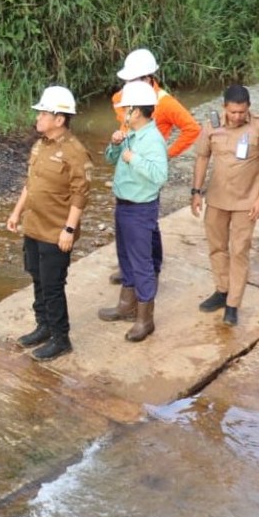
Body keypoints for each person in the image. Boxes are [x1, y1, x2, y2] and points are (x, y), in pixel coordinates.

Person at [6, 85, 92, 361]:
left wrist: (69, 229)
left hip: (56, 232)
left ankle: (60, 337)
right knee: (37, 277)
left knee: (53, 285)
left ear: (59, 119)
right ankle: (43, 326)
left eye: (43, 113)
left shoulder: (75, 152)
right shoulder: (39, 146)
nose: (38, 118)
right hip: (34, 226)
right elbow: (30, 185)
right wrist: (16, 213)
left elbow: (81, 193)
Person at [108, 48, 202, 285]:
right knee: (129, 221)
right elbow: (122, 119)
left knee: (146, 219)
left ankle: (152, 265)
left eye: (132, 80)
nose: (126, 86)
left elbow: (192, 129)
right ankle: (129, 266)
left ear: (148, 78)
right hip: (130, 164)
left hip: (149, 168)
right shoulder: (122, 98)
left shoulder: (165, 104)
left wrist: (166, 154)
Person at [190, 84, 259, 327]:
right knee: (217, 247)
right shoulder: (212, 125)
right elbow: (202, 157)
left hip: (246, 202)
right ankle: (222, 290)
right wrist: (196, 191)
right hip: (217, 199)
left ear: (248, 108)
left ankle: (233, 304)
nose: (237, 116)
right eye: (232, 112)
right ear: (224, 108)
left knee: (239, 250)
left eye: (241, 112)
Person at [98, 80, 167, 342]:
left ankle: (145, 318)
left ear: (136, 111)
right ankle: (126, 305)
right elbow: (110, 158)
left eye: (126, 108)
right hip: (124, 204)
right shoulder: (130, 133)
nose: (123, 112)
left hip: (140, 209)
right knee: (125, 256)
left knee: (142, 263)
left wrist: (133, 159)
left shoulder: (152, 139)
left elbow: (160, 175)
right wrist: (116, 145)